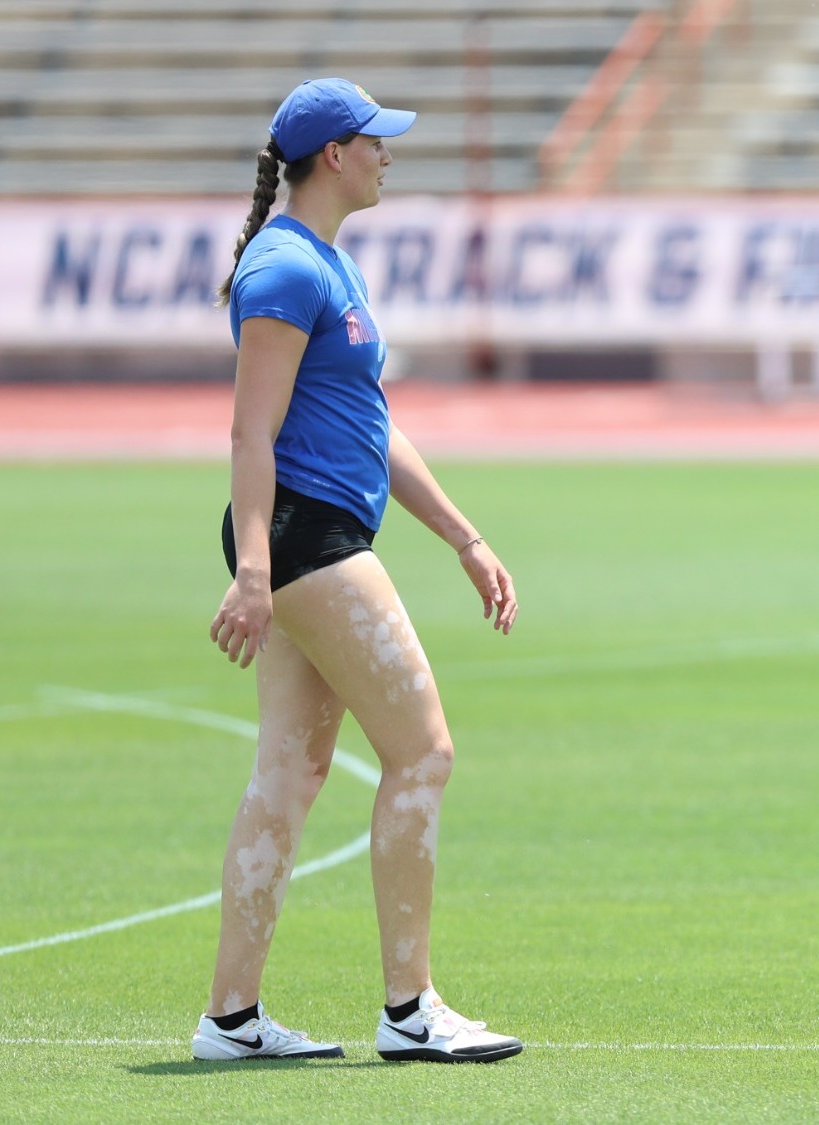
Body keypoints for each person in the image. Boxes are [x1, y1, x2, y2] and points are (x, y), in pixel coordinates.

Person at [189, 78, 523, 1064]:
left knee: (290, 775)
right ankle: (411, 1010)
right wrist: (253, 569)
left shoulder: (323, 263)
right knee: (422, 753)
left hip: (311, 535)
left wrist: (463, 536)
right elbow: (250, 432)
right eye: (376, 140)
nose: (389, 154)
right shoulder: (287, 271)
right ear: (333, 154)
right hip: (304, 539)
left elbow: (368, 429)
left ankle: (231, 1021)